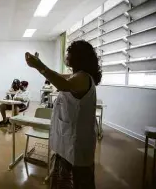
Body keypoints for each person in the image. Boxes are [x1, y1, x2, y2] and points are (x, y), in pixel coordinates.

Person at [25, 40, 102, 189]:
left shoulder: (84, 78)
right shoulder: (78, 75)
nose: (67, 54)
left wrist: (39, 66)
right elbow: (58, 77)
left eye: (70, 52)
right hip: (67, 140)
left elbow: (62, 84)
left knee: (78, 182)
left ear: (79, 56)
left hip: (77, 144)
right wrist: (39, 65)